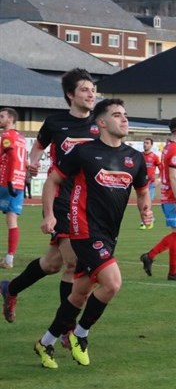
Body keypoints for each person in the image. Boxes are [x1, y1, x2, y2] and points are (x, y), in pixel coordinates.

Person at [33, 98, 152, 369]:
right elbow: (52, 181)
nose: (124, 119)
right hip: (83, 228)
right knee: (112, 283)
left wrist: (145, 210)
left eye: (125, 114)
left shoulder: (135, 158)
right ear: (101, 122)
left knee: (80, 294)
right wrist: (49, 214)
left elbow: (143, 192)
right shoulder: (84, 152)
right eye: (117, 115)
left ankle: (46, 342)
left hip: (109, 234)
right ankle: (80, 334)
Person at [1, 68, 98, 326]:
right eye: (84, 90)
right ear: (70, 95)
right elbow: (38, 146)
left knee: (52, 263)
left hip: (88, 200)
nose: (91, 94)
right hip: (60, 196)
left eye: (93, 90)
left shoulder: (99, 124)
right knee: (73, 263)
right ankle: (65, 328)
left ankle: (10, 288)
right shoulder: (55, 122)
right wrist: (32, 164)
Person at [140, 117, 176, 281]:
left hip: (171, 195)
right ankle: (160, 263)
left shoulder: (168, 147)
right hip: (173, 197)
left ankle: (168, 268)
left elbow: (170, 174)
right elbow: (173, 176)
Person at [0, 108, 27, 269]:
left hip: (5, 180)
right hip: (19, 182)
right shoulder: (21, 137)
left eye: (2, 116)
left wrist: (9, 179)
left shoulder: (7, 136)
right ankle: (9, 259)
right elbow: (23, 161)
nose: (0, 118)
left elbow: (11, 157)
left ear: (10, 119)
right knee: (12, 219)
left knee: (11, 219)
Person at [139, 137, 161, 229]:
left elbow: (162, 169)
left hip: (150, 184)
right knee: (141, 203)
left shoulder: (155, 157)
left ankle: (145, 222)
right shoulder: (139, 156)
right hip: (141, 184)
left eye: (147, 143)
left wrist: (158, 179)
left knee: (147, 204)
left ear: (151, 145)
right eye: (144, 143)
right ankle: (150, 218)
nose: (145, 145)